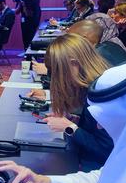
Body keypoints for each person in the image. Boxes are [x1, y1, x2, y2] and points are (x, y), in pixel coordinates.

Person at [29, 34, 112, 171]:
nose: (56, 78)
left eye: (57, 71)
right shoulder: (96, 85)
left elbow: (105, 151)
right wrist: (73, 120)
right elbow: (97, 130)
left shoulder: (101, 94)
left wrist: (70, 128)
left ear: (74, 64)